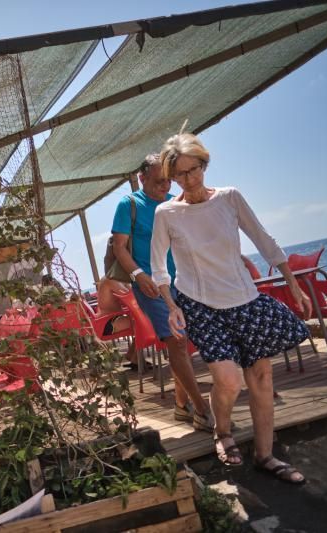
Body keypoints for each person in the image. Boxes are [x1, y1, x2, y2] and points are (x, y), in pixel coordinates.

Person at [151, 133, 309, 483]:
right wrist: (170, 305)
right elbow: (159, 266)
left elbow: (264, 240)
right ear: (171, 177)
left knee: (262, 377)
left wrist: (293, 283)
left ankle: (266, 456)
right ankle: (222, 431)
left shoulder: (230, 198)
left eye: (194, 170)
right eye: (180, 174)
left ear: (204, 165)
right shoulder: (167, 213)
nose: (189, 180)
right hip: (200, 302)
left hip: (244, 298)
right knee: (227, 379)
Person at [111, 154, 213, 431]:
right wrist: (138, 275)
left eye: (169, 181)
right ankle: (202, 410)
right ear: (141, 179)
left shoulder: (174, 204)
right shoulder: (129, 204)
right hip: (150, 285)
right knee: (177, 341)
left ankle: (182, 407)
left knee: (183, 342)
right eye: (158, 182)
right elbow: (119, 247)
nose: (165, 187)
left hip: (184, 281)